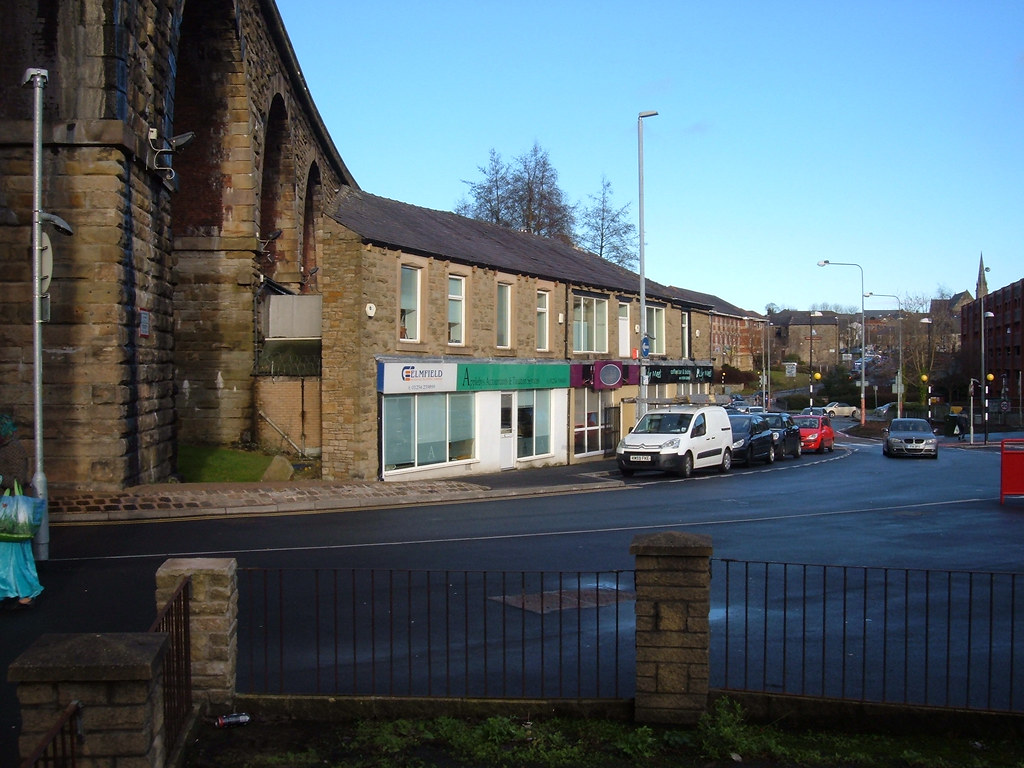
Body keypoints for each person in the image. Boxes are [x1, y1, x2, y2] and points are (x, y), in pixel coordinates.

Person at [0, 413, 43, 609]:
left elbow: (19, 480)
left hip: (10, 510)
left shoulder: (14, 449)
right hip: (4, 507)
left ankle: (25, 593)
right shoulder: (5, 447)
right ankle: (7, 591)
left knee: (15, 554)